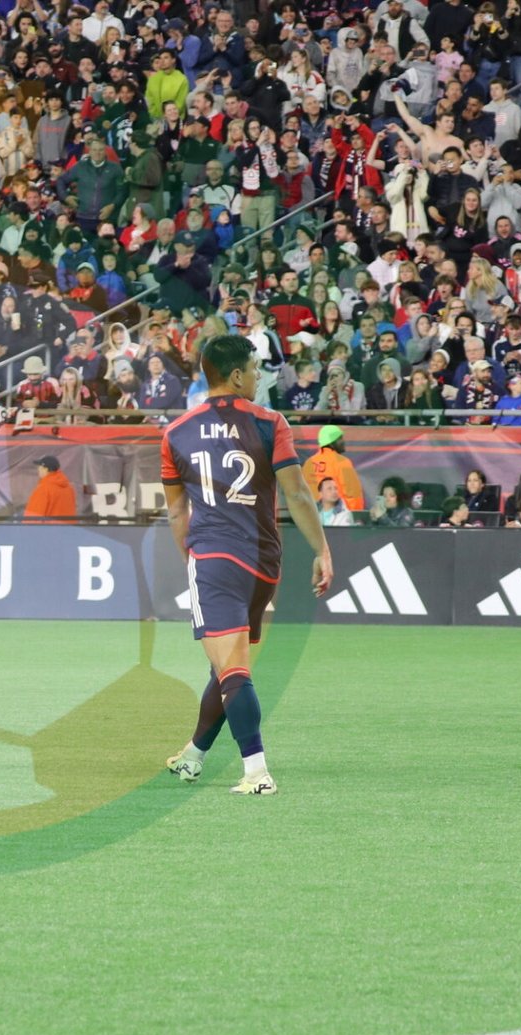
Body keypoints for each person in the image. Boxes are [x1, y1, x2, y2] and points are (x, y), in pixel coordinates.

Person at [160, 334, 333, 798]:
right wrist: (322, 549)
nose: (258, 376)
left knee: (232, 668)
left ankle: (256, 772)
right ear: (236, 376)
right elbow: (297, 493)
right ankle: (194, 755)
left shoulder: (176, 432)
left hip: (215, 559)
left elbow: (176, 513)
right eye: (256, 369)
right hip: (263, 564)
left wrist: (194, 560)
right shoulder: (270, 422)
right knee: (225, 664)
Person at [301, 424, 364, 511]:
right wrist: (355, 515)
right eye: (340, 438)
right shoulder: (342, 462)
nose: (343, 442)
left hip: (311, 515)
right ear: (331, 442)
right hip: (336, 516)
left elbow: (301, 492)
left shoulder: (309, 463)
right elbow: (352, 494)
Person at [24, 454, 77, 519]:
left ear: (45, 469)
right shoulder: (69, 488)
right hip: (68, 525)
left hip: (49, 525)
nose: (38, 469)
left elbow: (33, 518)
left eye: (39, 467)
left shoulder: (43, 489)